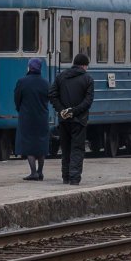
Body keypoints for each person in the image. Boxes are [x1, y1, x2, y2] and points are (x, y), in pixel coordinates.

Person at [48, 52, 94, 185]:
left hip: (63, 120)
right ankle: (74, 178)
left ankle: (66, 177)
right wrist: (73, 111)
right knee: (77, 149)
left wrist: (62, 110)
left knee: (66, 149)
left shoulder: (61, 77)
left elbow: (52, 94)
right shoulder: (88, 79)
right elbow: (88, 101)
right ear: (84, 65)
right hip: (79, 121)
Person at [14, 57, 50, 181]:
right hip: (42, 117)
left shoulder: (22, 82)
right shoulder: (45, 83)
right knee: (41, 144)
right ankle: (40, 172)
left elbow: (17, 99)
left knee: (29, 145)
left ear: (29, 67)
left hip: (27, 117)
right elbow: (48, 99)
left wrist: (21, 110)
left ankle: (33, 172)